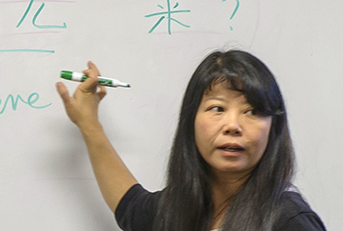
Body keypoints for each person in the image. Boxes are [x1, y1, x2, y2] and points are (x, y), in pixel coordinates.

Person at [55, 50, 326, 231]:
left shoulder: (289, 221)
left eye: (252, 111)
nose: (233, 125)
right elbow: (131, 207)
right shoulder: (178, 210)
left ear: (273, 127)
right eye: (217, 108)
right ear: (191, 121)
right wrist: (88, 123)